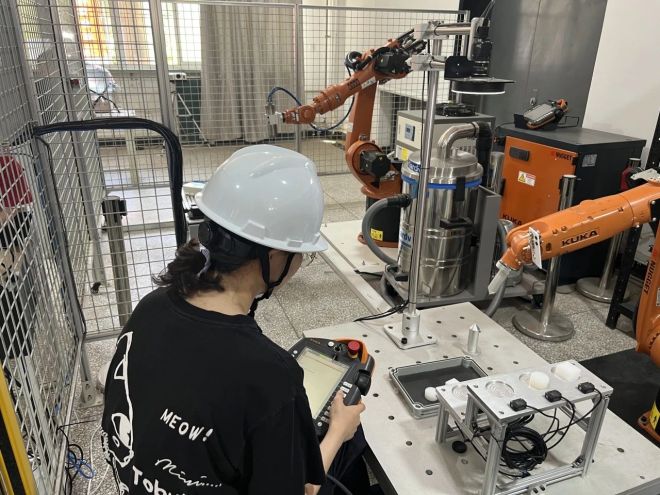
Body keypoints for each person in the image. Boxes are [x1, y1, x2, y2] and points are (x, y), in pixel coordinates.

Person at [101, 145, 368, 494]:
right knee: (351, 442)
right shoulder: (270, 376)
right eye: (302, 254)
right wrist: (337, 433)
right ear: (275, 257)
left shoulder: (151, 307)